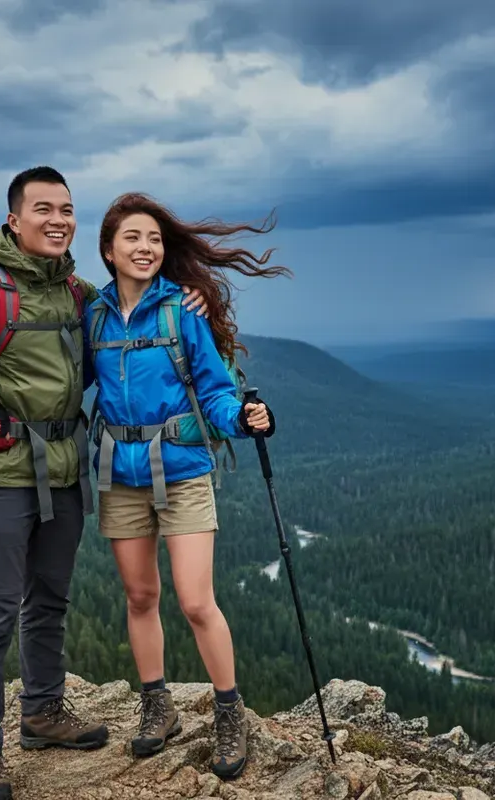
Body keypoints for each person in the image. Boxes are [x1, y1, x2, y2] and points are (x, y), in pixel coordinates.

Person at [0, 167, 207, 800]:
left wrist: (189, 297)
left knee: (49, 598)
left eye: (67, 208)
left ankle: (44, 712)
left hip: (65, 467)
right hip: (1, 473)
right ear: (13, 220)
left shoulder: (75, 293)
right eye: (44, 208)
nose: (58, 219)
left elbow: (132, 310)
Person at [83, 192, 290, 781]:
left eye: (153, 239)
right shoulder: (92, 315)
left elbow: (217, 388)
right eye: (132, 239)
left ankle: (230, 714)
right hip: (118, 474)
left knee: (197, 601)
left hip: (182, 469)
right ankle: (157, 707)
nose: (146, 248)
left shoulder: (183, 312)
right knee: (141, 597)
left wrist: (243, 420)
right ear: (108, 251)